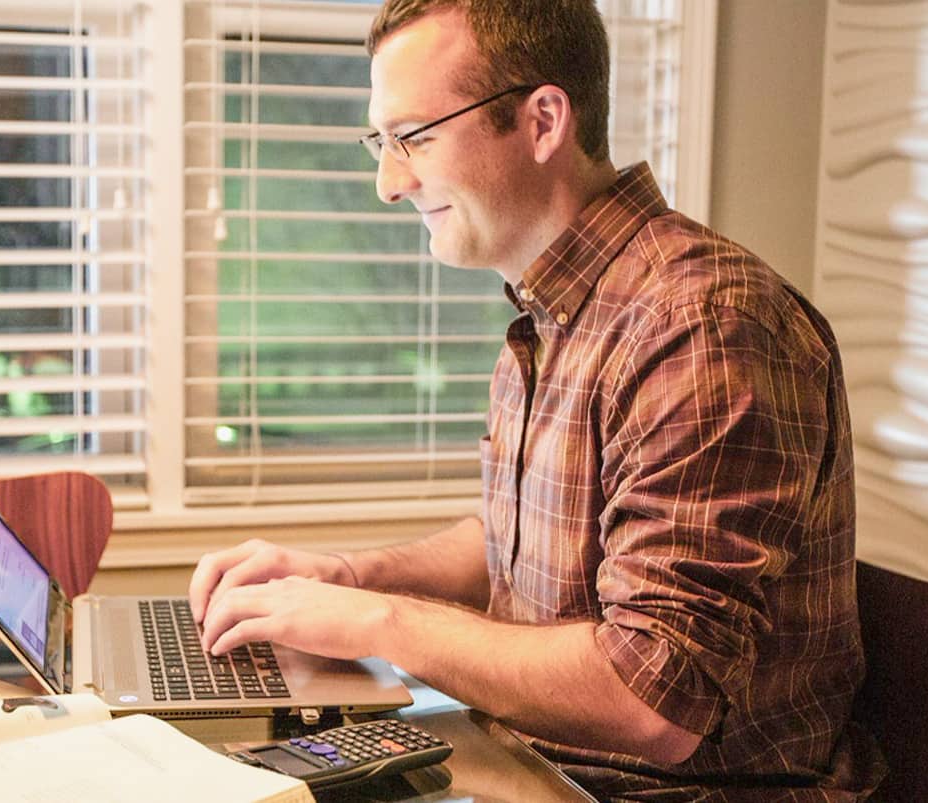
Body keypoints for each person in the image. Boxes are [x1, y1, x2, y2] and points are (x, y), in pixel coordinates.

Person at [188, 0, 882, 798]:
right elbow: (525, 549)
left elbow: (655, 698)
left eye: (413, 137)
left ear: (543, 120)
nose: (389, 183)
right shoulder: (556, 314)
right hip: (528, 766)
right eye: (382, 143)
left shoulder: (704, 324)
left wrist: (379, 623)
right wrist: (348, 576)